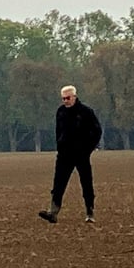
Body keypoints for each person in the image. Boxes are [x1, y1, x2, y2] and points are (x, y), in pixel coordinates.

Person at [38, 85, 102, 224]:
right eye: (63, 99)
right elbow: (58, 131)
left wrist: (88, 149)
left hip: (82, 155)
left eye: (67, 98)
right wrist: (59, 146)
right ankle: (53, 212)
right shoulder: (60, 112)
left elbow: (97, 132)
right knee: (58, 184)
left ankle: (90, 213)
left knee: (86, 184)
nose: (65, 101)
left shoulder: (86, 112)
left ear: (74, 97)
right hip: (64, 155)